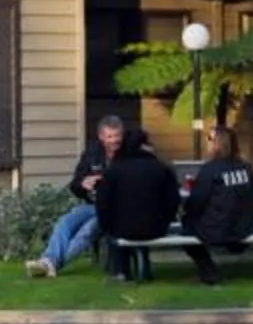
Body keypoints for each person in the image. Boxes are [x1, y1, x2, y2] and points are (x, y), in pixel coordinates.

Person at [28, 113, 127, 277]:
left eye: (118, 136)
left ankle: (50, 264)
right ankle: (49, 261)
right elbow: (74, 185)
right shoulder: (92, 153)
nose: (114, 140)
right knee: (65, 221)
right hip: (92, 205)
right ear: (101, 136)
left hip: (114, 210)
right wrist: (83, 183)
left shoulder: (129, 154)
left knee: (87, 231)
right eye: (110, 136)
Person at [94, 126, 184, 281]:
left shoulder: (114, 170)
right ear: (144, 145)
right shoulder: (161, 168)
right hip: (157, 227)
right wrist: (166, 219)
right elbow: (173, 200)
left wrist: (106, 225)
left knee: (117, 227)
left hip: (122, 229)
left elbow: (102, 202)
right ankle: (142, 268)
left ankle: (121, 271)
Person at [176, 124, 253, 286]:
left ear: (217, 143)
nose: (206, 142)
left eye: (209, 139)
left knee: (186, 231)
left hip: (218, 229)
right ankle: (234, 248)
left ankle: (208, 271)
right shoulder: (246, 168)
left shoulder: (210, 169)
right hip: (243, 227)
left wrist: (185, 212)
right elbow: (252, 196)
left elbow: (197, 202)